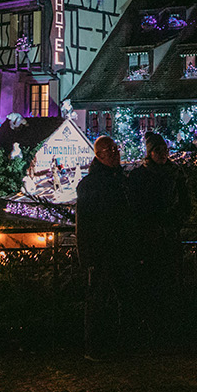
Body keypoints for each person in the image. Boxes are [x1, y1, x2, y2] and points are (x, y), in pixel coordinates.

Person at [127, 132, 192, 333]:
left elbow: (186, 205)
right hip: (149, 239)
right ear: (150, 153)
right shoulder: (138, 176)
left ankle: (171, 327)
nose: (163, 153)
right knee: (151, 283)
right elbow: (134, 208)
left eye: (165, 149)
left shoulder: (176, 174)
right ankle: (151, 327)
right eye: (158, 150)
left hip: (169, 236)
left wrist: (174, 223)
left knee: (171, 282)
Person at [76, 135, 133, 360]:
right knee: (99, 300)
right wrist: (87, 257)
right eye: (110, 151)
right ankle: (95, 347)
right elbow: (84, 224)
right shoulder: (90, 185)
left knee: (123, 298)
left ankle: (119, 344)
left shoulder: (121, 180)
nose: (115, 153)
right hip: (101, 251)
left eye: (116, 149)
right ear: (99, 155)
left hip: (122, 248)